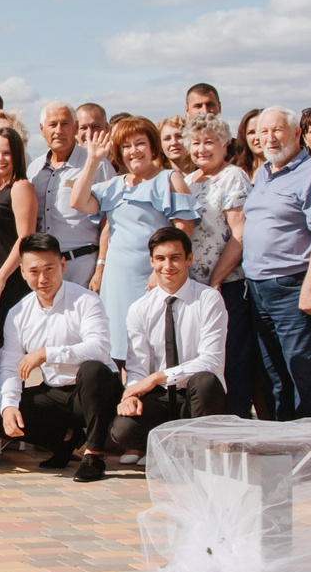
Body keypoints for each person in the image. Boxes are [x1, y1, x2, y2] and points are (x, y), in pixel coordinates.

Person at [241, 107, 311, 420]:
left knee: (303, 371)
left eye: (277, 130)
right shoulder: (262, 174)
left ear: (296, 134)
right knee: (273, 373)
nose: (268, 138)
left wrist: (310, 290)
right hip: (257, 289)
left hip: (292, 287)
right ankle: (282, 441)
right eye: (263, 131)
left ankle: (310, 444)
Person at [0, 234, 121, 482]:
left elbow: (99, 349)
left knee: (93, 370)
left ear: (62, 265)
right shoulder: (18, 314)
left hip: (96, 390)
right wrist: (8, 406)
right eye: (34, 271)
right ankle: (66, 440)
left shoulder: (86, 300)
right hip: (56, 391)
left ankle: (94, 454)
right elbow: (9, 367)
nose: (42, 279)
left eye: (49, 269)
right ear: (22, 272)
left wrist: (47, 353)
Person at [68, 114, 190, 347]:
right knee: (120, 345)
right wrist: (92, 160)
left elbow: (183, 231)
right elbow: (77, 201)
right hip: (117, 281)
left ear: (153, 147)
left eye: (140, 143)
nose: (133, 151)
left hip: (156, 276)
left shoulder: (170, 179)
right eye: (126, 146)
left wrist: (163, 270)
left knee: (158, 344)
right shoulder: (114, 185)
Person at [108, 226, 229, 455]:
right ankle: (168, 450)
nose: (168, 266)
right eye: (161, 259)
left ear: (189, 259)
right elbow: (137, 368)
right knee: (123, 430)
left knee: (205, 381)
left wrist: (158, 376)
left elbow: (211, 361)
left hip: (196, 398)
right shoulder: (140, 308)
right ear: (152, 261)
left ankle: (201, 455)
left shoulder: (209, 299)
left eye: (175, 258)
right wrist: (132, 394)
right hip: (160, 397)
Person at [173, 113, 251, 416]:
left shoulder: (233, 177)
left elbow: (240, 234)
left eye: (210, 142)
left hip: (225, 287)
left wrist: (216, 278)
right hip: (191, 290)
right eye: (196, 142)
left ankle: (234, 426)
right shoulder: (188, 181)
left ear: (225, 144)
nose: (202, 148)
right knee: (198, 361)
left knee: (231, 361)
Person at [31, 102, 103, 289]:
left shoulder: (96, 164)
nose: (58, 130)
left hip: (83, 266)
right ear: (42, 129)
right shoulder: (34, 169)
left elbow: (110, 222)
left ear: (76, 128)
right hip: (46, 269)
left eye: (65, 124)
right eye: (53, 125)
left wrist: (101, 267)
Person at [0, 122, 38, 326]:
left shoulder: (21, 187)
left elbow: (25, 237)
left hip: (6, 281)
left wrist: (1, 277)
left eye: (7, 153)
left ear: (17, 156)